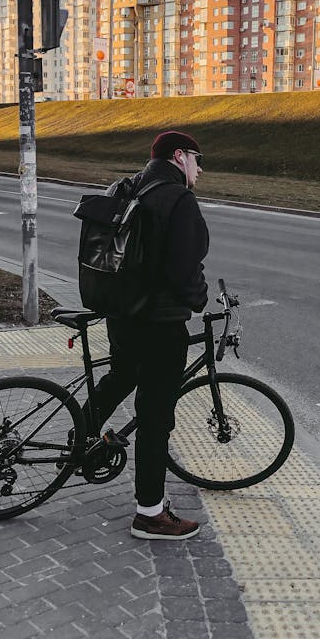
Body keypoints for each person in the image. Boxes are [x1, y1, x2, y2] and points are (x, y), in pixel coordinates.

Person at [84, 130, 209, 539]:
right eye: (197, 159)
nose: (200, 168)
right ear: (179, 156)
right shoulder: (177, 199)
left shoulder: (127, 185)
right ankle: (150, 514)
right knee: (156, 419)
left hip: (122, 314)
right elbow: (184, 269)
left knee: (122, 374)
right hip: (158, 323)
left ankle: (81, 438)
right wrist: (200, 298)